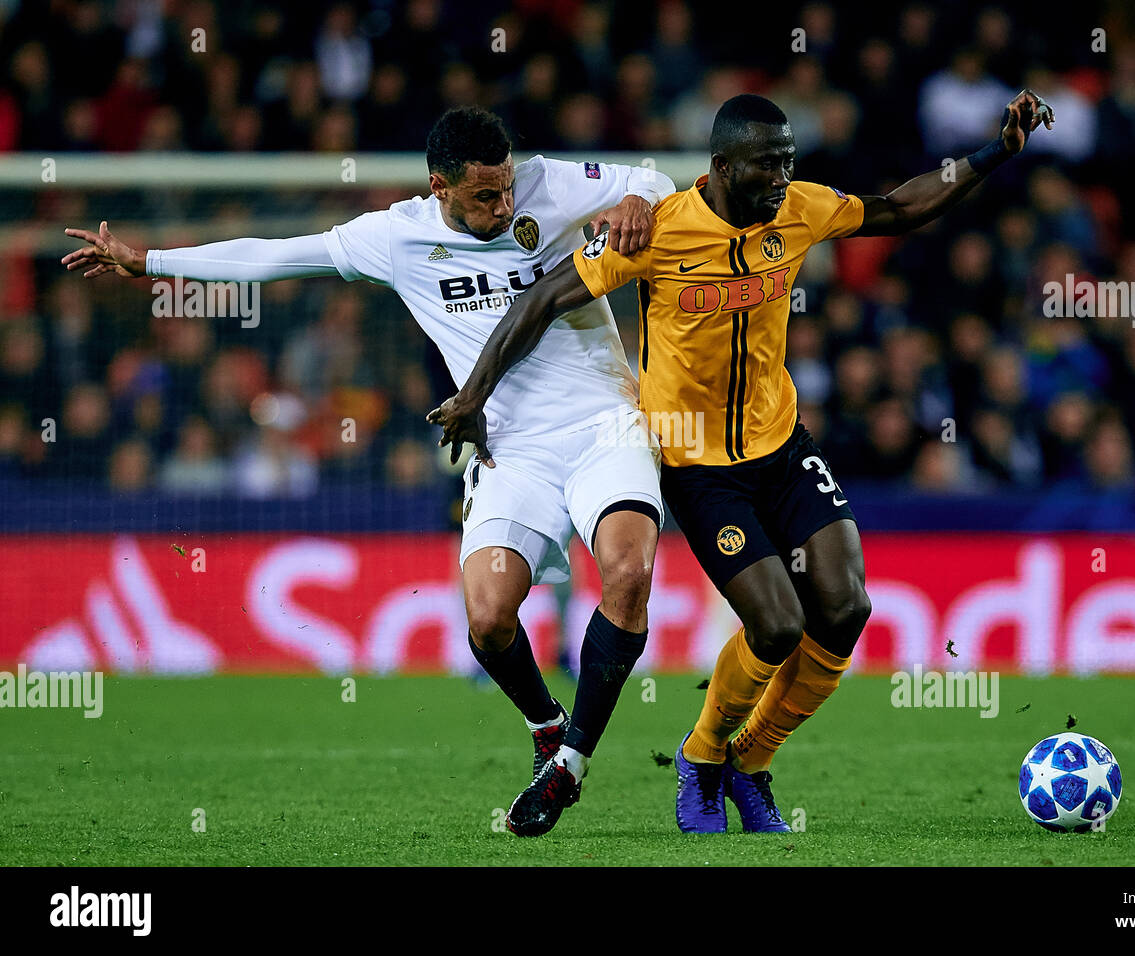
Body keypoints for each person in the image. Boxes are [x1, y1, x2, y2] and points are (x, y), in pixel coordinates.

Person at [433, 90, 1055, 833]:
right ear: (723, 166)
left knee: (848, 605)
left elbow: (898, 207)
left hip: (782, 443)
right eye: (767, 166)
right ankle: (701, 756)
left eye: (788, 163)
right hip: (696, 465)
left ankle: (748, 762)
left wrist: (994, 153)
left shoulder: (799, 210)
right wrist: (474, 394)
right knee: (777, 627)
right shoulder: (656, 232)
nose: (782, 180)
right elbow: (541, 301)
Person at [62, 106, 677, 837]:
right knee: (486, 619)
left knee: (629, 575)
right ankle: (547, 726)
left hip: (604, 423)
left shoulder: (549, 184)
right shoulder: (397, 236)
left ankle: (571, 762)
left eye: (508, 188)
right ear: (440, 186)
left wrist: (640, 197)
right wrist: (151, 264)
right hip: (511, 450)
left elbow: (656, 175)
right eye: (485, 195)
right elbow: (274, 255)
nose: (505, 205)